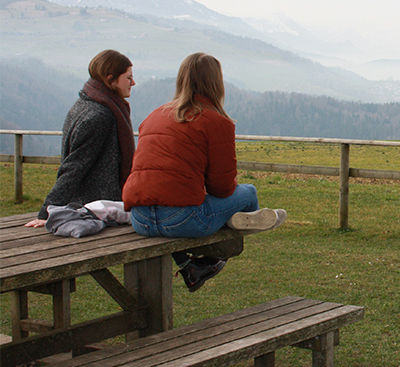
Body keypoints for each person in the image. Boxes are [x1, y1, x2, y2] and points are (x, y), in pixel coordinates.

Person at [122, 53, 285, 292]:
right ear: (216, 83)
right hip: (184, 220)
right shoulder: (216, 122)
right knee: (248, 193)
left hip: (140, 218)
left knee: (199, 200)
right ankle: (220, 249)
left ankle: (192, 264)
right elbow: (223, 187)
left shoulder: (153, 117)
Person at [25, 50, 136, 228]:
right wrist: (47, 213)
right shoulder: (100, 115)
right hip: (97, 209)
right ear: (110, 79)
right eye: (128, 77)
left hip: (94, 205)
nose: (133, 82)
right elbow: (74, 166)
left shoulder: (85, 104)